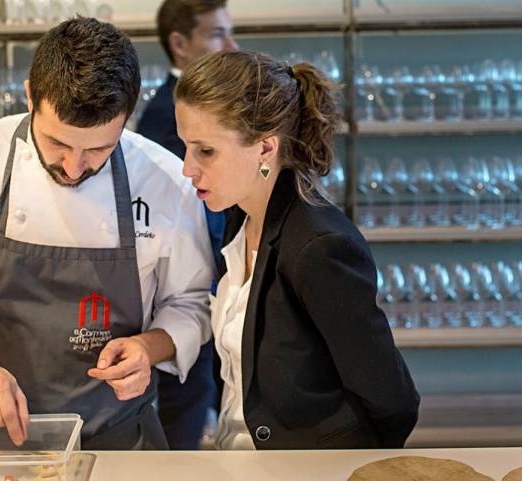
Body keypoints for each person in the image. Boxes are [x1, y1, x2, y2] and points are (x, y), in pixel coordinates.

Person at [0, 17, 215, 450]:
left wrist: (148, 349)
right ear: (29, 97)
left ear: (126, 118)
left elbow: (191, 304)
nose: (74, 167)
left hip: (122, 440)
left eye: (98, 149)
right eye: (58, 143)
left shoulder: (166, 180)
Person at [174, 50, 420, 449]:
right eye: (186, 146)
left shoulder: (319, 247)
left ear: (266, 148)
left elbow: (394, 401)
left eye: (205, 151)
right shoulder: (239, 218)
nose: (187, 167)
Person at [136, 0, 237, 450]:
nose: (231, 45)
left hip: (208, 290)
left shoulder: (195, 106)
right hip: (186, 292)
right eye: (216, 34)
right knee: (188, 420)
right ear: (179, 44)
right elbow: (187, 220)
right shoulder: (166, 115)